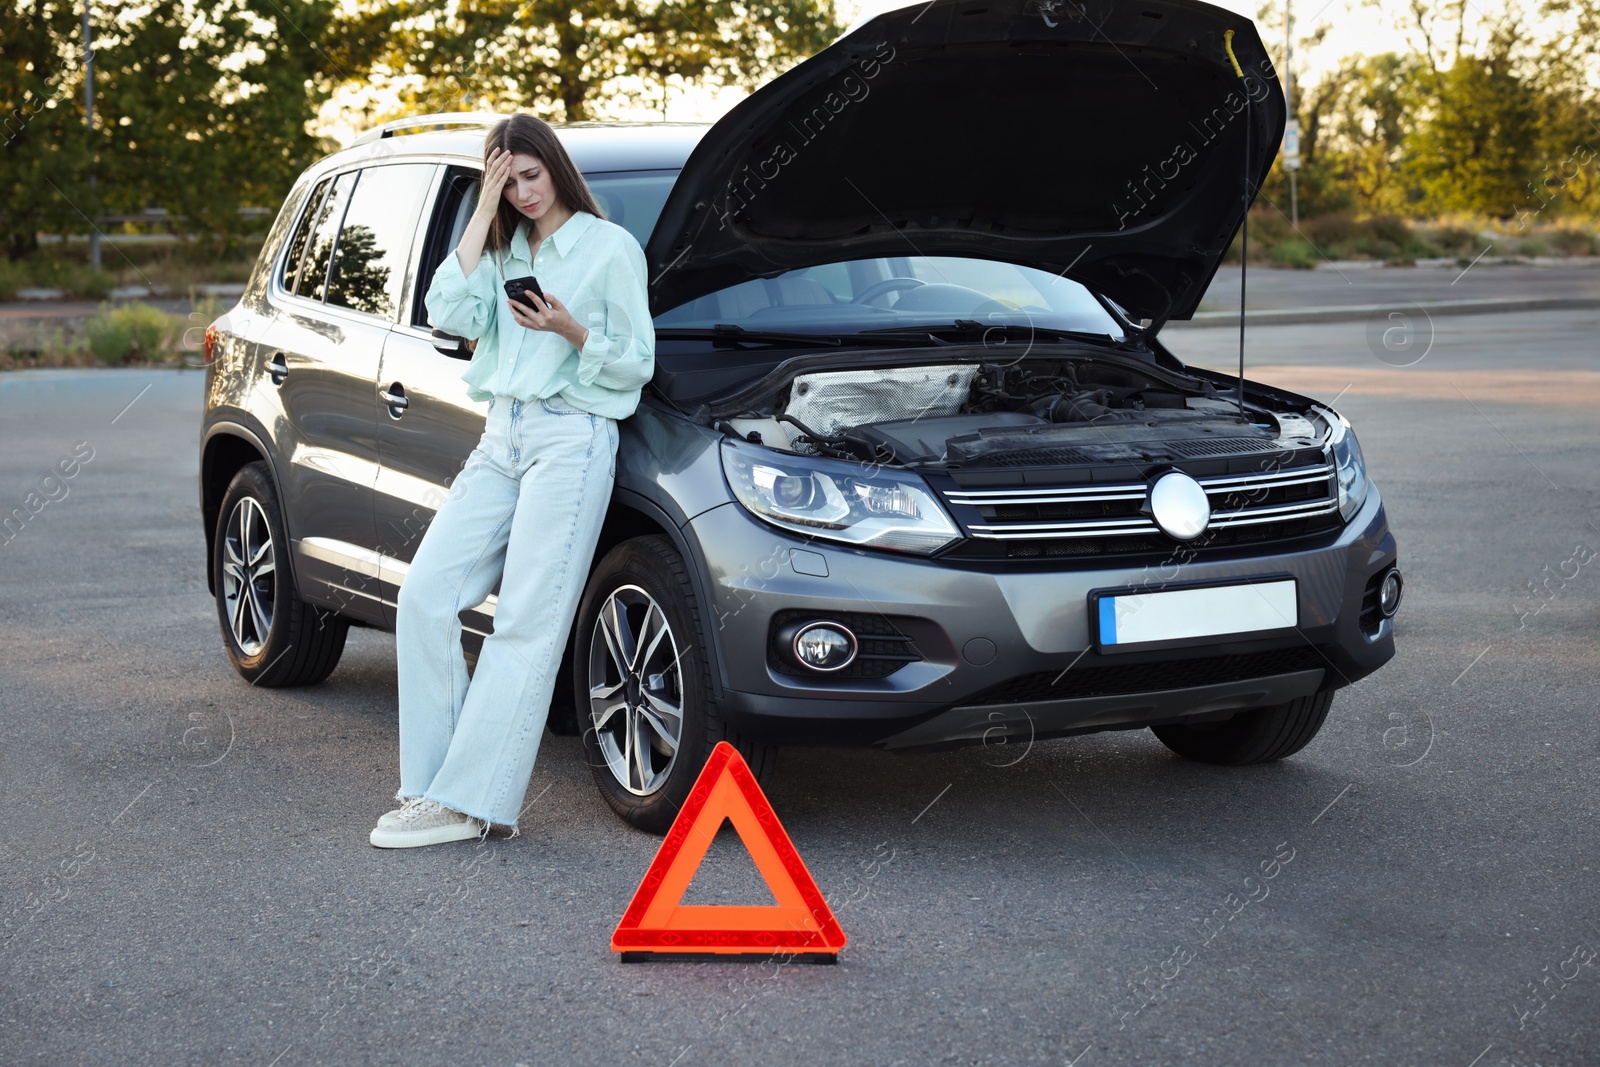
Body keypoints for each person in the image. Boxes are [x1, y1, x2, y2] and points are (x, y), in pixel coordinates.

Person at [369, 113, 655, 848]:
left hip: (572, 438)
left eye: (531, 176)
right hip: (502, 435)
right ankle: (428, 788)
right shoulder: (501, 251)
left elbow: (635, 361)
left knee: (525, 620)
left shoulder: (609, 248)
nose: (525, 193)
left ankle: (471, 803)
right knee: (425, 596)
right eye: (508, 180)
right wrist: (482, 209)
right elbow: (446, 310)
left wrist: (569, 329)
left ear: (556, 168)